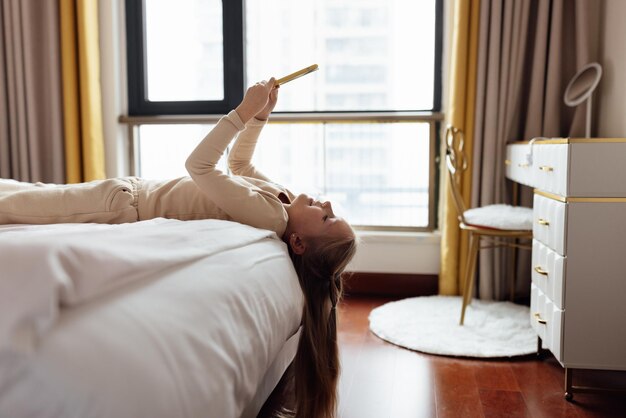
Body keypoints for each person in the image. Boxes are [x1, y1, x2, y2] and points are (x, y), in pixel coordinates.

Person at [0, 78, 357, 418]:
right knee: (26, 197)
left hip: (124, 203)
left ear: (296, 242)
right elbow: (240, 166)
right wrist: (261, 117)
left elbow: (199, 166)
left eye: (325, 219)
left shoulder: (272, 218)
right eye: (331, 211)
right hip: (129, 192)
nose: (325, 205)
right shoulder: (283, 201)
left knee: (17, 206)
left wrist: (242, 113)